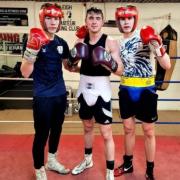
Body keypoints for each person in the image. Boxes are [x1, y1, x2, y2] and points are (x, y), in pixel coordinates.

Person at [114, 5, 171, 180]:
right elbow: (120, 70)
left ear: (134, 19)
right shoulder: (118, 43)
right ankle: (129, 163)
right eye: (122, 19)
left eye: (129, 18)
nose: (126, 22)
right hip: (126, 89)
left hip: (146, 90)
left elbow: (167, 65)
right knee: (128, 129)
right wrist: (108, 63)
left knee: (148, 131)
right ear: (118, 21)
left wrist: (159, 46)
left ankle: (150, 170)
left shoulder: (145, 35)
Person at [67, 7, 124, 180]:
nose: (93, 21)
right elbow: (70, 67)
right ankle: (88, 160)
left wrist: (108, 62)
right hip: (84, 89)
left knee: (106, 132)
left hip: (102, 92)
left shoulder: (110, 42)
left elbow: (120, 70)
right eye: (90, 17)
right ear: (86, 21)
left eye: (97, 18)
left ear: (102, 21)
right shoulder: (80, 40)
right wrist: (72, 60)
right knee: (87, 127)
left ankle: (109, 169)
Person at [20, 3, 71, 180]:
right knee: (42, 133)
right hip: (42, 96)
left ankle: (51, 160)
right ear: (42, 19)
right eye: (48, 18)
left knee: (57, 129)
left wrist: (81, 53)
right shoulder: (32, 39)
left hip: (59, 94)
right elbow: (25, 73)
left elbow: (69, 67)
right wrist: (31, 52)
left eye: (56, 18)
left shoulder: (61, 43)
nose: (52, 22)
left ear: (59, 21)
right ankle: (38, 167)